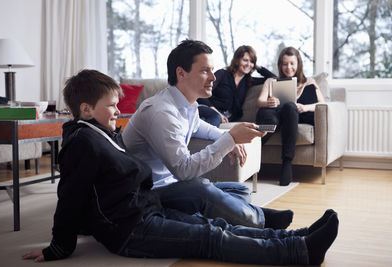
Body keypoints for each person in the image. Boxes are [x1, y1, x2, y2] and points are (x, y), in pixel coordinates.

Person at [22, 69, 339, 265]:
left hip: (147, 211)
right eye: (112, 105)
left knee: (214, 226)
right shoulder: (82, 143)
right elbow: (71, 195)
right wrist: (58, 247)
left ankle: (293, 238)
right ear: (86, 109)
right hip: (129, 231)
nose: (119, 110)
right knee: (211, 240)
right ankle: (298, 253)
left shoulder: (104, 133)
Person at [122, 39, 293, 230]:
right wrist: (230, 139)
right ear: (181, 73)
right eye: (205, 71)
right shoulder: (161, 111)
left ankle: (202, 215)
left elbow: (202, 128)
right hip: (151, 191)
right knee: (200, 189)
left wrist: (227, 137)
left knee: (240, 190)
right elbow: (184, 170)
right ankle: (262, 220)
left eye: (212, 70)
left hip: (173, 184)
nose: (213, 77)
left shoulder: (189, 106)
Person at [256, 46, 325, 186]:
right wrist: (269, 101)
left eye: (292, 63)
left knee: (290, 107)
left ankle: (286, 163)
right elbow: (259, 101)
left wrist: (304, 107)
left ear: (298, 64)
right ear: (280, 65)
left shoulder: (309, 82)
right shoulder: (271, 81)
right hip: (272, 113)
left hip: (290, 116)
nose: (288, 67)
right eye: (285, 63)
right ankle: (253, 147)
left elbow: (322, 105)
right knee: (272, 119)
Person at [197, 45, 276, 126]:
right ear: (237, 60)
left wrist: (256, 66)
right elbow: (201, 94)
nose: (248, 64)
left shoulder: (248, 81)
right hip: (208, 109)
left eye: (252, 61)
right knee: (214, 118)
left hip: (227, 119)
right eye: (245, 60)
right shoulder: (222, 74)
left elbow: (273, 77)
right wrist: (215, 111)